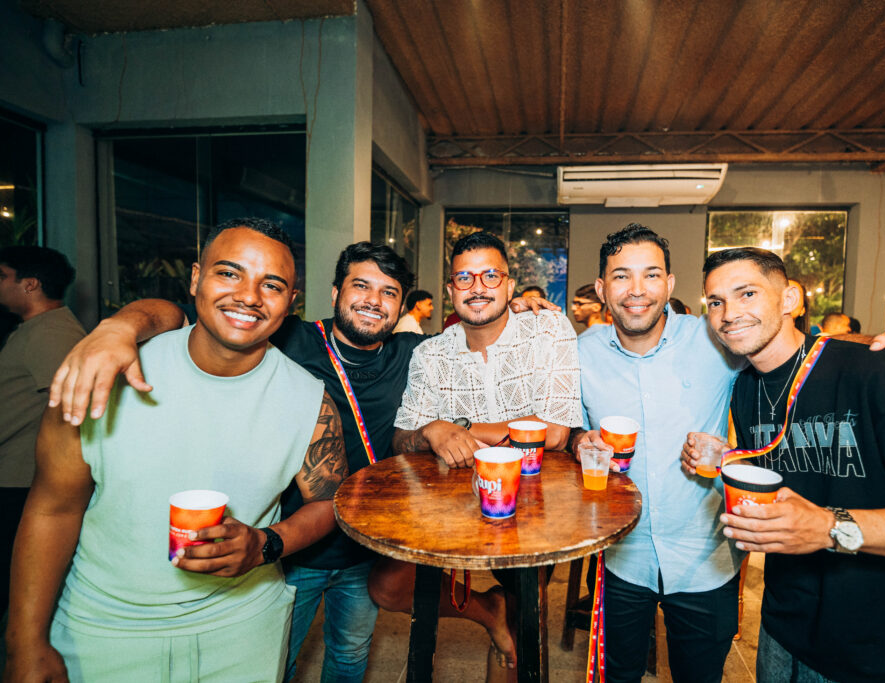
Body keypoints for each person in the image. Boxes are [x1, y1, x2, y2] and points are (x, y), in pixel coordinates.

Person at [570, 225, 885, 683]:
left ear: (669, 284)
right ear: (602, 289)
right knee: (617, 675)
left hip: (706, 559)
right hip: (621, 558)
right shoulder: (578, 354)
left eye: (650, 275)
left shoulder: (713, 337)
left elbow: (789, 347)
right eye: (621, 276)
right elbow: (558, 423)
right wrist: (578, 440)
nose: (636, 289)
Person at [5, 218, 350, 682]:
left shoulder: (309, 398)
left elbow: (329, 501)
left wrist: (266, 544)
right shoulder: (102, 374)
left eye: (272, 284)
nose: (248, 296)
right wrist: (25, 643)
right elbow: (52, 509)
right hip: (103, 628)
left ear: (291, 302)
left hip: (244, 626)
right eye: (228, 273)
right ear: (195, 278)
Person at [693, 246, 885, 682]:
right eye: (716, 302)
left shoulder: (876, 371)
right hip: (786, 631)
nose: (729, 314)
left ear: (789, 299)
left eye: (747, 294)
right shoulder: (745, 388)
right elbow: (799, 473)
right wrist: (727, 459)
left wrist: (829, 527)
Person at [376, 231, 582, 668]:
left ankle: (508, 634)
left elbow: (554, 433)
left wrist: (464, 428)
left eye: (491, 275)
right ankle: (488, 612)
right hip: (449, 506)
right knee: (387, 587)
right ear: (450, 290)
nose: (478, 287)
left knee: (525, 624)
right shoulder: (431, 354)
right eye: (464, 278)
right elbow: (402, 439)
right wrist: (431, 431)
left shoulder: (547, 329)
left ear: (510, 285)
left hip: (530, 505)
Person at [0, 246, 85, 626]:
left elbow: (73, 407)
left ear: (30, 284)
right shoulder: (36, 329)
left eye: (3, 276)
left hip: (21, 482)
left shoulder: (52, 334)